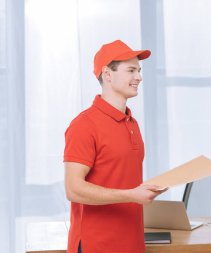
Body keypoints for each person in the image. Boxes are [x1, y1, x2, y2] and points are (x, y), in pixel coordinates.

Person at [64, 40, 166, 253]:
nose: (139, 77)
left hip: (133, 244)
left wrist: (143, 191)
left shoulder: (132, 122)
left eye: (138, 70)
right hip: (97, 246)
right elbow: (73, 189)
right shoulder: (84, 125)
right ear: (107, 74)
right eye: (131, 70)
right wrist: (131, 195)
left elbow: (122, 178)